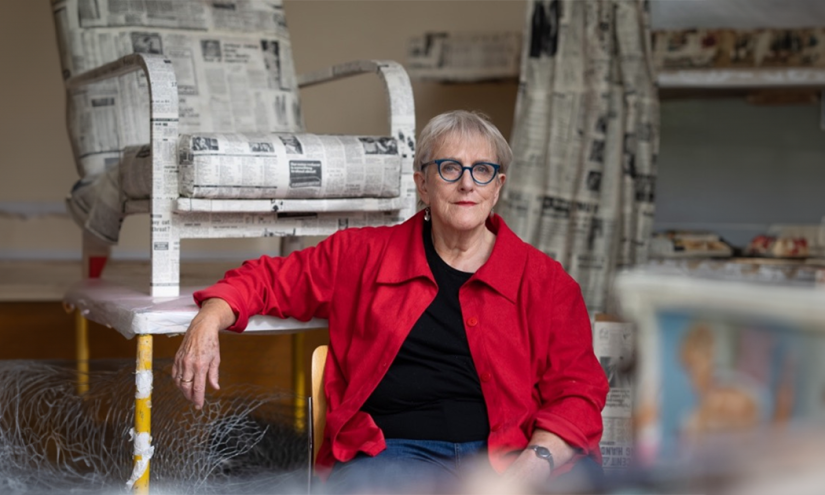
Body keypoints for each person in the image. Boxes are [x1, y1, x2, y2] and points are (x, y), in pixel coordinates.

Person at [172, 110, 608, 493]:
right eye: (449, 168)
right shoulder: (362, 255)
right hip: (393, 456)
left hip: (511, 455)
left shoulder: (546, 282)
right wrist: (210, 317)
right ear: (422, 183)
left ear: (497, 187)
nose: (466, 184)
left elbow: (579, 394)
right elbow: (269, 279)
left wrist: (530, 470)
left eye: (482, 170)